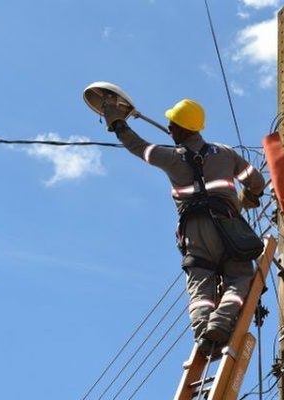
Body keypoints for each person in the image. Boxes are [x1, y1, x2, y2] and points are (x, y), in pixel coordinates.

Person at [103, 98, 265, 355]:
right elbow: (256, 181)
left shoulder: (171, 158)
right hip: (228, 228)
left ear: (183, 129)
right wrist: (248, 198)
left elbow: (138, 147)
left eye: (172, 125)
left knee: (201, 285)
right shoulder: (225, 153)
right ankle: (221, 323)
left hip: (194, 233)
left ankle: (203, 330)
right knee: (240, 275)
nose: (169, 129)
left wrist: (117, 123)